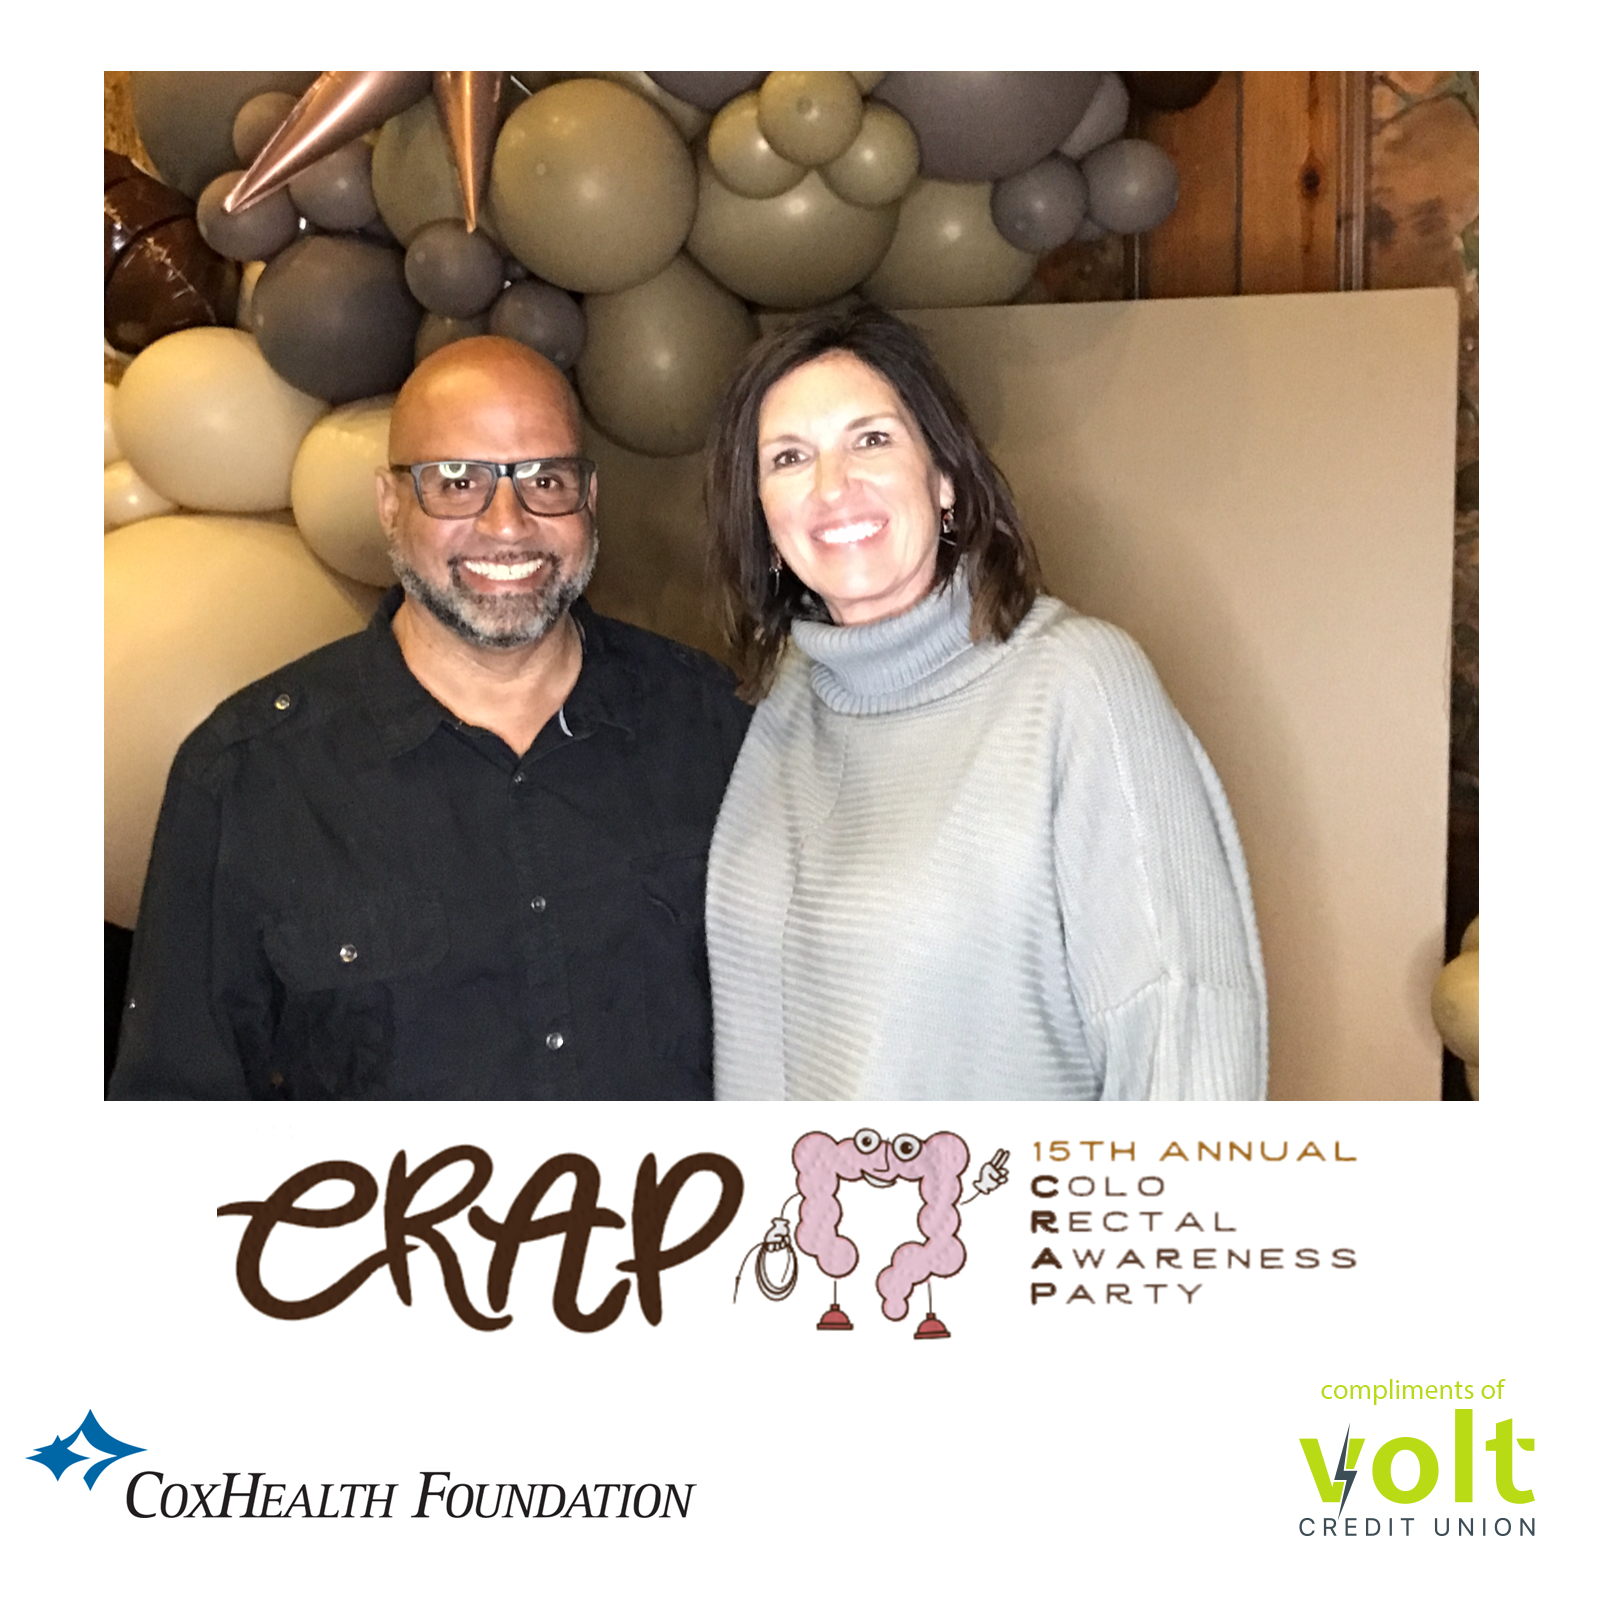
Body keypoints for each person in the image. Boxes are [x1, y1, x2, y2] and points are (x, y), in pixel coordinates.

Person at [111, 336, 750, 1100]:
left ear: (589, 498)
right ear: (390, 505)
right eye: (457, 481)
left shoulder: (712, 726)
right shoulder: (247, 776)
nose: (508, 524)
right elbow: (178, 1114)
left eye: (545, 479)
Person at [704, 305, 1267, 1101]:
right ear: (763, 513)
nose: (831, 486)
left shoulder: (1079, 685)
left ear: (944, 479)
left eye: (871, 439)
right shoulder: (785, 700)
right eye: (790, 457)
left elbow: (1186, 1037)